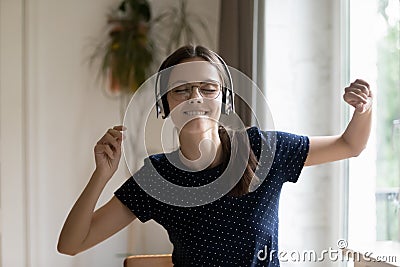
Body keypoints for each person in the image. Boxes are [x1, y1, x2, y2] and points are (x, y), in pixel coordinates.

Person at [57, 45, 373, 266]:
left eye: (208, 88)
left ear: (224, 100)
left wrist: (364, 109)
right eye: (181, 89)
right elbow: (71, 244)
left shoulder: (262, 149)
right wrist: (100, 175)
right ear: (164, 105)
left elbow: (349, 146)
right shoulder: (158, 178)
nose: (195, 97)